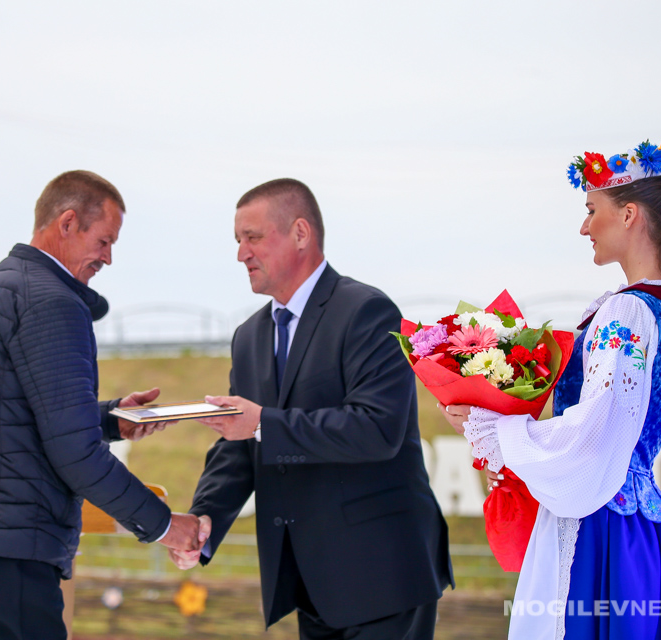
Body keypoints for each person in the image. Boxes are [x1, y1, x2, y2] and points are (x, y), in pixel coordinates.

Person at [442, 139, 661, 639]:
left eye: (592, 210)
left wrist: (496, 430)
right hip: (643, 528)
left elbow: (594, 435)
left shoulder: (628, 312)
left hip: (601, 531)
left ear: (629, 215)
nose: (583, 227)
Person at [0, 170, 209, 640]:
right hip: (17, 549)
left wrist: (111, 420)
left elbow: (9, 417)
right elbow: (75, 453)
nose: (108, 257)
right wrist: (164, 526)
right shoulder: (52, 302)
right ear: (67, 223)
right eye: (104, 240)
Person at [172, 178, 453, 639]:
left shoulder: (368, 311)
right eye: (238, 240)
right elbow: (240, 445)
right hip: (310, 584)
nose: (241, 253)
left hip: (384, 579)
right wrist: (204, 519)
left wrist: (263, 423)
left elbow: (377, 429)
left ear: (301, 233)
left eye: (253, 237)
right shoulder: (249, 336)